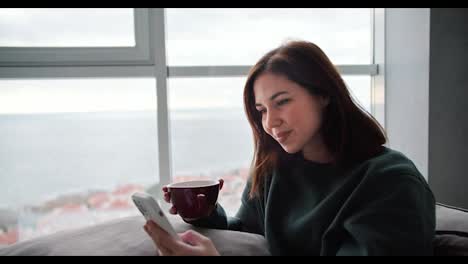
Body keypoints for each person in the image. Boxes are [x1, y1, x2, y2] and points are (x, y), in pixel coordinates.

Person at [143, 40, 436, 256]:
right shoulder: (275, 170)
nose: (271, 123)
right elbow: (249, 235)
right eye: (262, 110)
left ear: (323, 94)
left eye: (282, 102)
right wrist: (202, 214)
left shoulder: (390, 183)